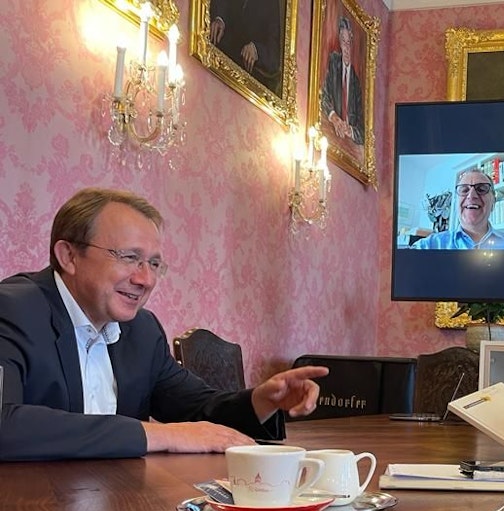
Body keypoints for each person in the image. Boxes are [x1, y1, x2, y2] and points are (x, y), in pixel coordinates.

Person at [0, 187, 328, 462]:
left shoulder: (142, 330)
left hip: (118, 504)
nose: (146, 279)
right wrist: (160, 434)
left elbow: (197, 409)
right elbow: (5, 423)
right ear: (69, 256)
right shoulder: (12, 310)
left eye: (154, 263)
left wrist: (262, 401)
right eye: (130, 257)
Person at [412, 169, 504, 250]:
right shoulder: (428, 246)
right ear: (456, 203)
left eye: (481, 189)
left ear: (493, 202)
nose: (471, 196)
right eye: (464, 190)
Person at [209, 0, 284, 96]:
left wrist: (257, 50)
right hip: (216, 56)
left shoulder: (271, 4)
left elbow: (274, 58)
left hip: (245, 77)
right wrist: (219, 18)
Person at [320, 15, 364, 146]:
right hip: (330, 136)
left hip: (348, 143)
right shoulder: (333, 63)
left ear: (352, 43)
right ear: (339, 42)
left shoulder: (356, 83)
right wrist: (334, 117)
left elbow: (364, 132)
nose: (346, 47)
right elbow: (322, 96)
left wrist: (350, 130)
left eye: (348, 42)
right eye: (343, 42)